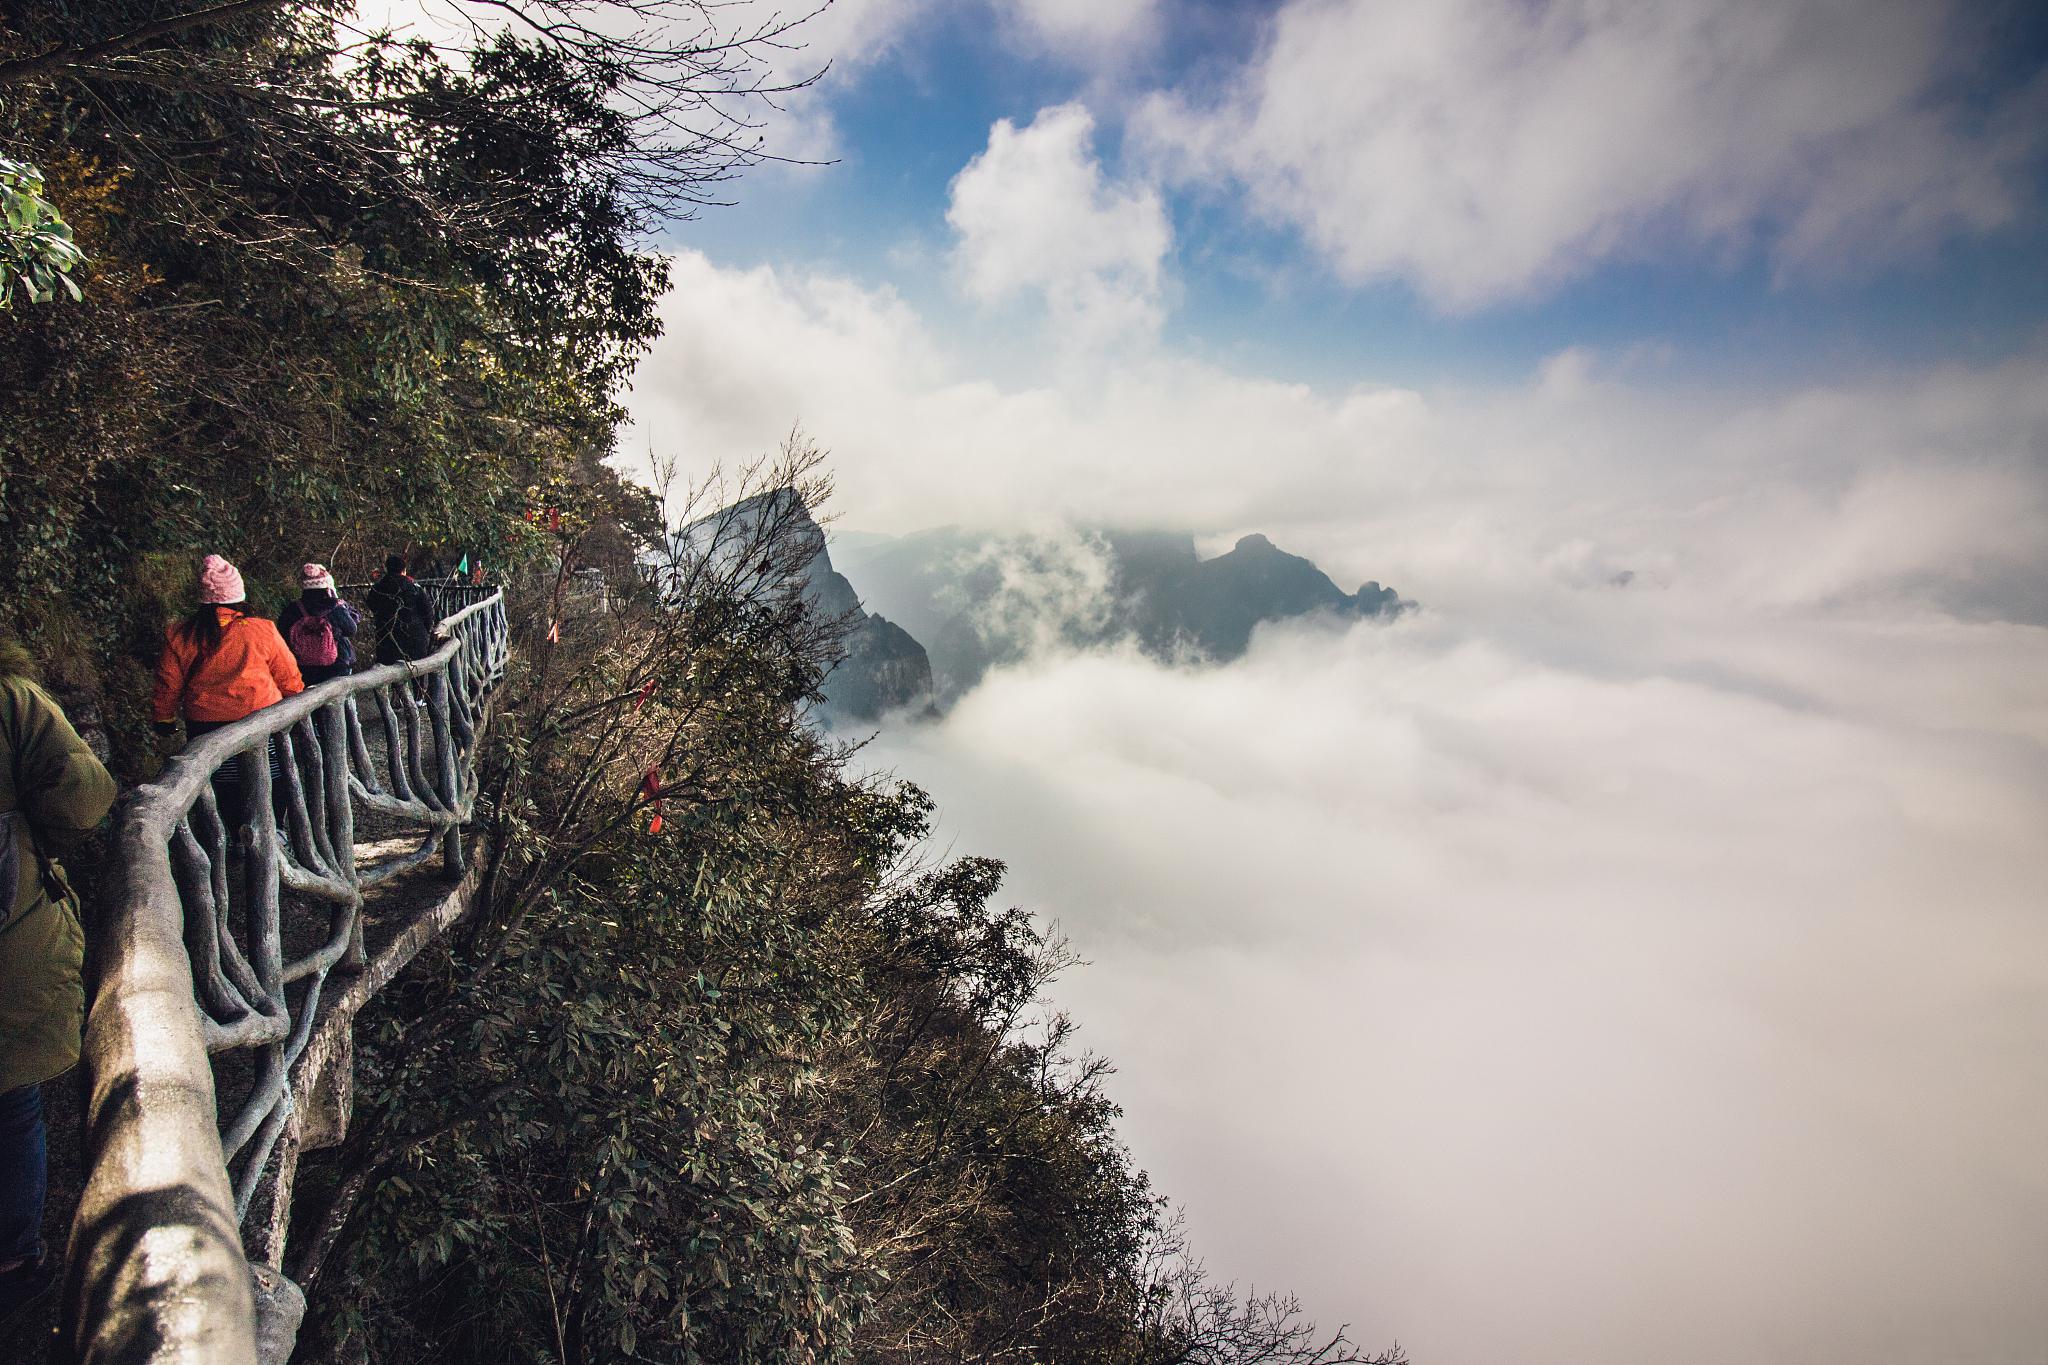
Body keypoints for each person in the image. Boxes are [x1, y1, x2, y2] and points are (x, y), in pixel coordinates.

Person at [0, 639, 118, 1316]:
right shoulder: (13, 702)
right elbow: (81, 797)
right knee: (11, 1103)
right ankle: (13, 1256)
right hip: (10, 935)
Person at [150, 555, 305, 829]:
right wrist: (296, 701)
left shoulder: (179, 634)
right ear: (238, 595)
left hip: (206, 726)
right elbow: (288, 675)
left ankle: (232, 837)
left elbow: (168, 683)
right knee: (272, 776)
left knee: (222, 783)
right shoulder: (261, 629)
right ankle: (275, 832)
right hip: (261, 719)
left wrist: (164, 719)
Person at [276, 563, 362, 686]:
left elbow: (283, 633)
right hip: (336, 667)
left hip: (303, 668)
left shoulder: (293, 609)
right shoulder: (334, 607)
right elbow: (351, 630)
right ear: (328, 588)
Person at [367, 554, 440, 680]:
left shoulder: (377, 588)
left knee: (388, 675)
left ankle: (395, 699)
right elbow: (427, 612)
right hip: (415, 637)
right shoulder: (415, 588)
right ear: (404, 570)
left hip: (386, 638)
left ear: (387, 569)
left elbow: (372, 606)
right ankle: (418, 699)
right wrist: (428, 630)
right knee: (418, 671)